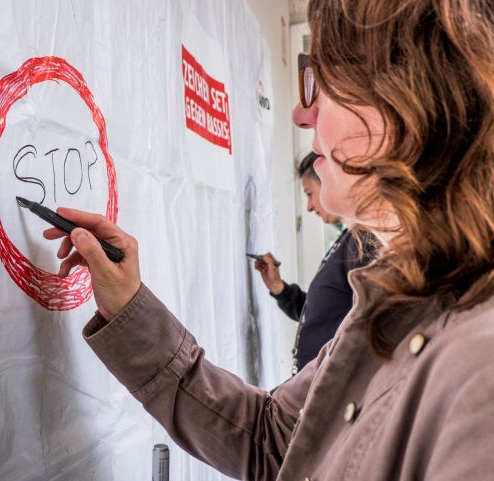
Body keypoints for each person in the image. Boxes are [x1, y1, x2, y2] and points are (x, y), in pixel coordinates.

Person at [43, 0, 494, 479]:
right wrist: (129, 307)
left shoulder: (479, 368)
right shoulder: (401, 297)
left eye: (323, 84)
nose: (302, 115)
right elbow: (274, 440)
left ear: (413, 101)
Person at [255, 151, 374, 374]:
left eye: (310, 194)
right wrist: (279, 289)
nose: (309, 206)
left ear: (330, 181)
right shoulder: (348, 241)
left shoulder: (364, 241)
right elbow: (323, 313)